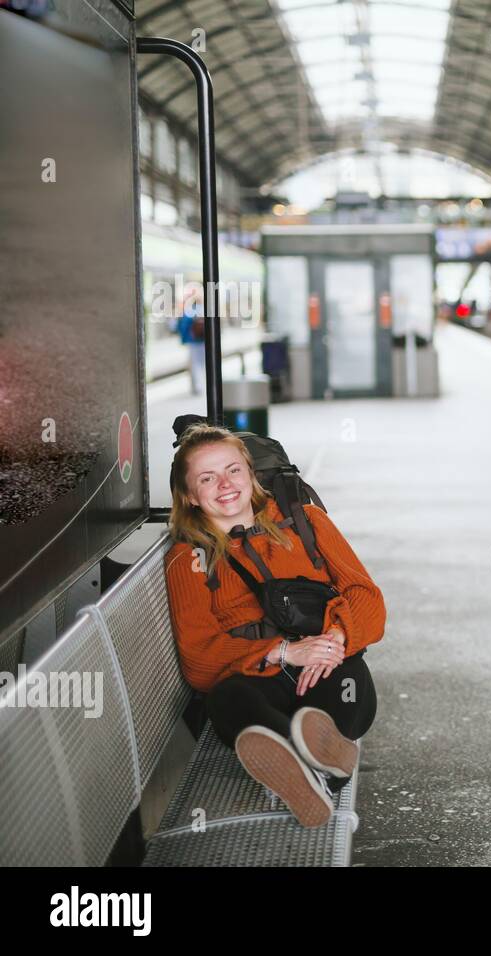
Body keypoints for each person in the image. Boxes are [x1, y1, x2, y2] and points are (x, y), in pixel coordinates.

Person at [163, 423, 385, 827]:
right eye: (207, 478)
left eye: (233, 470)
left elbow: (366, 595)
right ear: (190, 496)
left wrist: (336, 637)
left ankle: (308, 759)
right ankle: (313, 766)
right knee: (225, 698)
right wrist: (283, 651)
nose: (225, 484)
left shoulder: (305, 523)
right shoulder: (189, 558)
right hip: (258, 679)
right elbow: (199, 658)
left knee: (346, 676)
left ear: (251, 475)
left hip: (328, 667)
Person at [177, 294, 206, 396]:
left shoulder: (189, 311)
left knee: (195, 365)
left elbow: (183, 326)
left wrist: (184, 340)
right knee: (203, 364)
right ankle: (203, 385)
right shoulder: (206, 310)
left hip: (193, 342)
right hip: (204, 341)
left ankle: (198, 387)